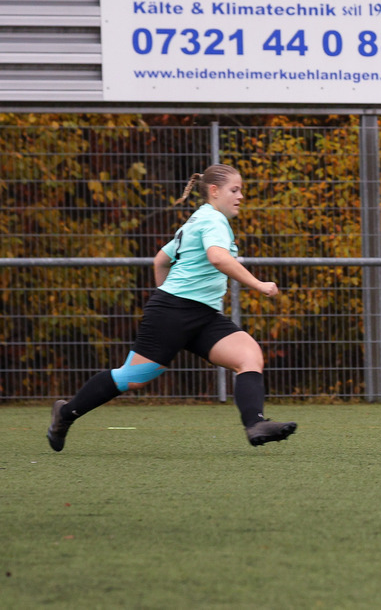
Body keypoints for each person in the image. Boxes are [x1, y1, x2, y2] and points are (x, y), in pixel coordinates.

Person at [46, 164, 297, 452]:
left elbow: (160, 261)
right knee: (133, 378)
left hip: (201, 315)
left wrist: (166, 296)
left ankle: (256, 424)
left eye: (241, 190)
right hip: (173, 312)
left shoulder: (196, 220)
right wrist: (259, 284)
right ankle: (65, 414)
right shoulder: (213, 221)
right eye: (235, 190)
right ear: (214, 191)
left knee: (248, 356)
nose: (241, 196)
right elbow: (218, 258)